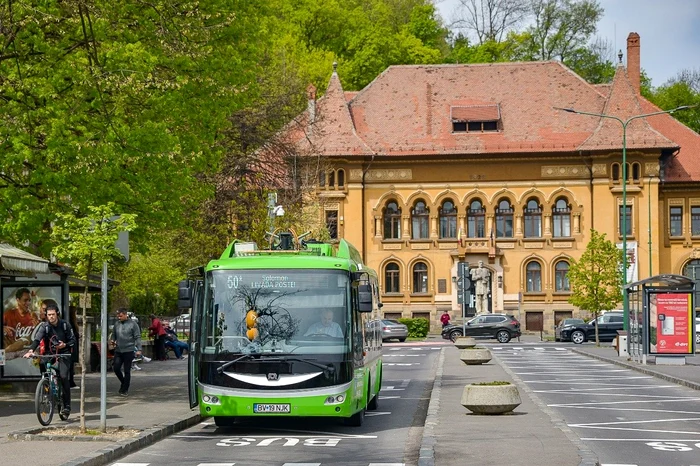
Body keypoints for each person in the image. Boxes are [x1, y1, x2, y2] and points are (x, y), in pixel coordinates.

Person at [23, 304, 76, 417]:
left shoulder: (65, 325)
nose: (51, 317)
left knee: (63, 376)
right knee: (42, 363)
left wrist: (65, 344)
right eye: (48, 315)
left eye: (53, 314)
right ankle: (46, 385)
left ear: (57, 314)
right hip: (49, 353)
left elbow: (73, 340)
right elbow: (37, 339)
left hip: (64, 353)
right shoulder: (45, 327)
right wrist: (31, 350)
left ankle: (66, 406)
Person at [110, 308, 143, 397]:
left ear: (125, 315)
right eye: (118, 316)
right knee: (116, 368)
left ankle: (125, 389)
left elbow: (137, 337)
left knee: (127, 370)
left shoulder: (133, 324)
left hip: (128, 350)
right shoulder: (117, 324)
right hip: (118, 350)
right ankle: (124, 382)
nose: (119, 318)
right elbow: (114, 334)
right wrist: (113, 340)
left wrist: (139, 349)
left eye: (120, 316)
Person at [3, 287, 40, 352]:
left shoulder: (33, 316)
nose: (28, 303)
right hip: (10, 356)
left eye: (29, 300)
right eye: (25, 300)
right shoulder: (8, 314)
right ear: (18, 300)